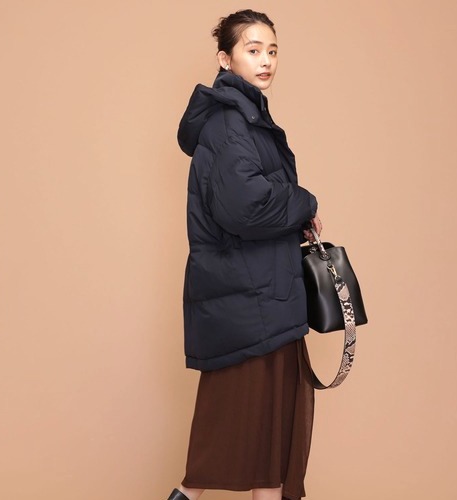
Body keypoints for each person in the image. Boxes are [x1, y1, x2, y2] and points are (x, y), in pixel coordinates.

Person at [167, 9, 322, 500]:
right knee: (224, 450)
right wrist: (305, 202)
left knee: (267, 451)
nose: (266, 60)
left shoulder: (247, 119)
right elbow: (245, 208)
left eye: (272, 51)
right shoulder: (231, 122)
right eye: (253, 50)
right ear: (225, 58)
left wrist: (294, 214)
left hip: (264, 297)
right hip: (250, 304)